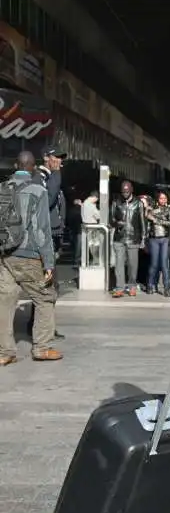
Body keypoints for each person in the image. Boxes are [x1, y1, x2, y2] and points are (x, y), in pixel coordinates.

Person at [0, 151, 63, 365]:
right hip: (28, 255)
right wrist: (49, 262)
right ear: (33, 167)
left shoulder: (2, 187)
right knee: (45, 297)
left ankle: (5, 352)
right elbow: (42, 230)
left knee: (5, 302)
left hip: (5, 255)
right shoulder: (38, 191)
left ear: (16, 165)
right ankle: (42, 348)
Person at [28, 146, 67, 339]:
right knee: (46, 284)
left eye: (61, 159)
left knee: (50, 284)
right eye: (56, 157)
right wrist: (57, 175)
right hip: (43, 239)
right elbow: (48, 200)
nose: (59, 161)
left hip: (52, 237)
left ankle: (43, 325)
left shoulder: (50, 178)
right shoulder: (40, 178)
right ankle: (40, 327)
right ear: (46, 158)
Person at [110, 181, 146, 298]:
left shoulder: (138, 203)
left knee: (132, 265)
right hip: (119, 238)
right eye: (123, 191)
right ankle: (119, 288)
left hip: (133, 237)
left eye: (127, 191)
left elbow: (142, 221)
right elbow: (111, 219)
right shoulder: (116, 202)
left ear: (131, 190)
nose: (125, 193)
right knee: (119, 264)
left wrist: (143, 238)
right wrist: (117, 223)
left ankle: (132, 286)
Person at [146, 191, 170, 296]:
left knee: (164, 264)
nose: (163, 200)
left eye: (165, 198)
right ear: (158, 199)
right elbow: (148, 226)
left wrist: (156, 220)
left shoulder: (168, 210)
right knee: (154, 264)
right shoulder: (151, 210)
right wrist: (145, 240)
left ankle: (166, 288)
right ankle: (150, 285)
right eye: (161, 198)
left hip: (165, 239)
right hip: (154, 239)